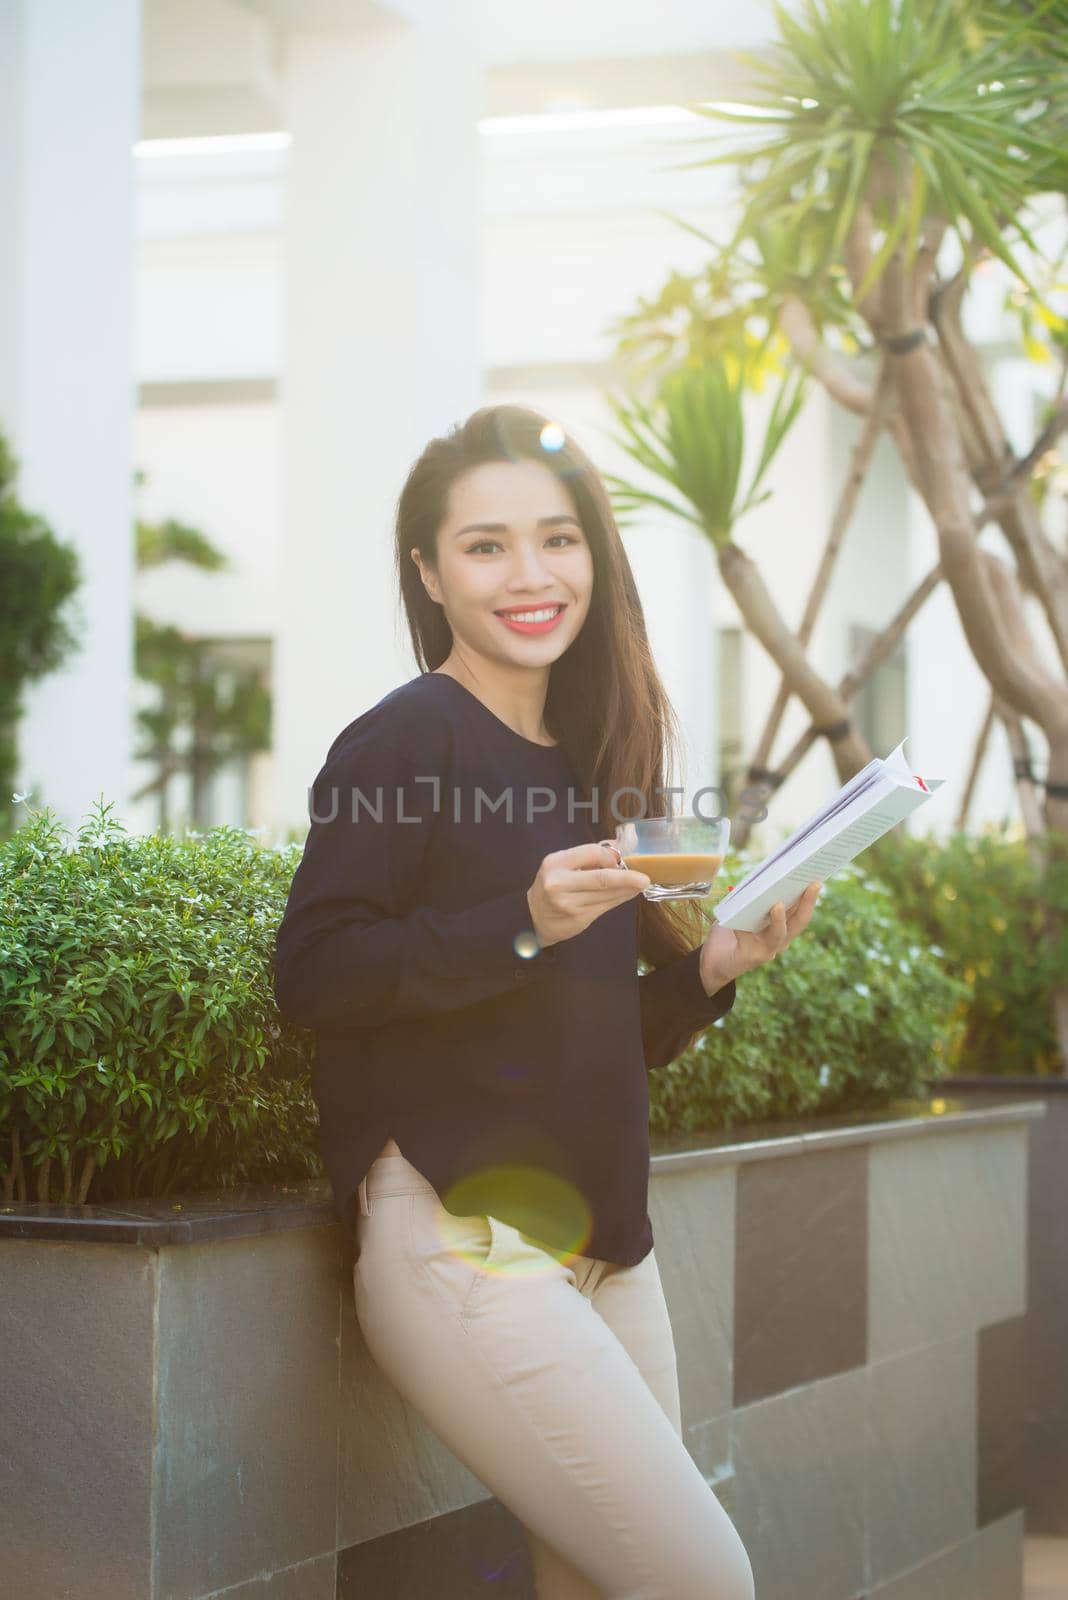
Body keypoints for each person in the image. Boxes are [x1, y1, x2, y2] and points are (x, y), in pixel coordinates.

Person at [273, 405, 821, 1599]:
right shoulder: (405, 738)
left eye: (558, 539)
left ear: (595, 556)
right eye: (485, 546)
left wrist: (708, 973)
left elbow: (578, 1030)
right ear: (428, 570)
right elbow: (313, 974)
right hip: (467, 1240)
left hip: (609, 1247)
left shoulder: (588, 755)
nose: (531, 575)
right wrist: (524, 918)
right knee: (703, 1581)